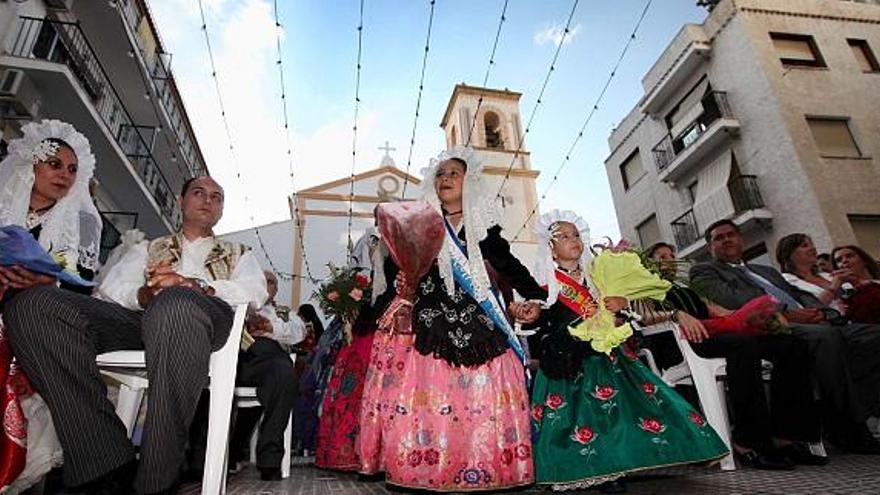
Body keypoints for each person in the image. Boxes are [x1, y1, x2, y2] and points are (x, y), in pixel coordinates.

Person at [4, 175, 267, 494]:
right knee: (32, 306)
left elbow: (254, 291)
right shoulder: (148, 248)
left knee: (178, 304)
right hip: (141, 321)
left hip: (209, 321)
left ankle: (155, 481)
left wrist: (195, 286)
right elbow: (114, 289)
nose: (208, 200)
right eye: (199, 192)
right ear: (181, 201)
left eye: (217, 196)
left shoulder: (241, 253)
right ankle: (104, 461)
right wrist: (147, 294)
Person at [356, 147, 543, 491]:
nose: (445, 179)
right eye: (440, 174)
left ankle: (488, 466)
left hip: (480, 320)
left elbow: (510, 268)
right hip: (431, 319)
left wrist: (538, 299)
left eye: (453, 173)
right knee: (427, 394)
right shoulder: (423, 225)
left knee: (482, 397)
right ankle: (423, 468)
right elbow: (399, 267)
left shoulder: (486, 230)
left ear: (469, 181)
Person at [526, 211, 727, 491]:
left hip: (608, 355)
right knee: (576, 418)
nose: (573, 240)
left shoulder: (598, 276)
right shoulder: (545, 286)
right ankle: (586, 470)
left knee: (618, 413)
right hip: (568, 360)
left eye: (576, 235)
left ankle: (617, 467)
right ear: (550, 246)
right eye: (564, 236)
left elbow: (624, 315)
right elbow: (541, 323)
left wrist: (622, 304)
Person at [690, 219, 880, 452]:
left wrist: (822, 313)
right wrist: (788, 314)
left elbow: (796, 295)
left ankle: (856, 406)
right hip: (772, 325)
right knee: (827, 339)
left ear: (742, 239)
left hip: (816, 319)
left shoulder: (766, 271)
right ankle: (846, 425)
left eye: (731, 234)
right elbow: (730, 300)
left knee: (872, 337)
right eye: (719, 238)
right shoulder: (704, 271)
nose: (726, 239)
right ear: (710, 248)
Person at [647, 241, 824, 470]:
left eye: (672, 255)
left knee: (790, 345)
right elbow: (640, 317)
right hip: (681, 340)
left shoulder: (688, 288)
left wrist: (756, 316)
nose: (669, 260)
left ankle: (786, 435)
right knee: (743, 345)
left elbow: (724, 314)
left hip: (714, 333)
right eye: (661, 256)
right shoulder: (643, 287)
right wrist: (675, 314)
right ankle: (749, 440)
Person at [0, 120, 102, 492]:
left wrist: (49, 280)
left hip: (38, 323)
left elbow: (83, 288)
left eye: (73, 169)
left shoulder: (82, 225)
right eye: (55, 164)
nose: (65, 175)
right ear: (31, 165)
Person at [315, 228, 395, 471]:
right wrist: (348, 316)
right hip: (359, 338)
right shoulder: (359, 275)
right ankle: (345, 453)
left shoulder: (392, 271)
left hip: (383, 337)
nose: (374, 250)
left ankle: (379, 455)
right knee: (352, 391)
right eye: (372, 246)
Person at [227, 270, 303, 480]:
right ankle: (205, 458)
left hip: (268, 361)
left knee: (283, 374)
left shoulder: (282, 312)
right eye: (261, 280)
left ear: (275, 289)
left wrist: (270, 328)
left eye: (270, 282)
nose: (265, 284)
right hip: (234, 359)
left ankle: (269, 459)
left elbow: (299, 333)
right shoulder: (235, 301)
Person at [776, 234, 849, 313]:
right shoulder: (785, 282)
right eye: (804, 245)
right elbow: (808, 309)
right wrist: (834, 285)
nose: (813, 248)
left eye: (812, 244)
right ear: (788, 254)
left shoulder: (826, 275)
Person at [292, 303, 324, 456]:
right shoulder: (319, 326)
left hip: (305, 366)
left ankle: (303, 442)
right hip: (313, 367)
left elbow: (305, 346)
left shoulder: (308, 327)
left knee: (302, 401)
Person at [832, 245, 880, 324]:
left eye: (849, 256)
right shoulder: (842, 292)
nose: (844, 261)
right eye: (839, 260)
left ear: (864, 260)